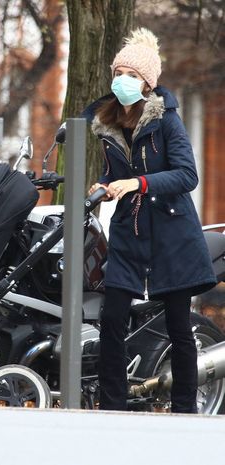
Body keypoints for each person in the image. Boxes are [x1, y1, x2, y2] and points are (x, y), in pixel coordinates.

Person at [82, 28, 216, 413]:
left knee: (179, 327)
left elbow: (187, 176)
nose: (122, 80)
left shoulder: (167, 121)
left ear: (147, 83)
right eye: (118, 72)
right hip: (128, 234)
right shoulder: (107, 124)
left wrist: (136, 183)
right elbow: (115, 173)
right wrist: (105, 184)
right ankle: (113, 406)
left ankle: (185, 410)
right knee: (112, 320)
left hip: (172, 236)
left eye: (131, 75)